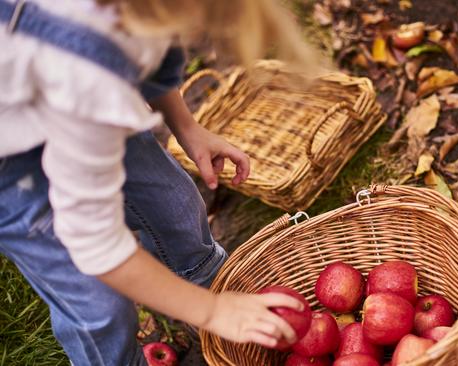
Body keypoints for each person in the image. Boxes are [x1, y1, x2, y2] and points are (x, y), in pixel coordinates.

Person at [0, 0, 320, 364]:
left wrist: (186, 126)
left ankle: (212, 297)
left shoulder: (136, 25)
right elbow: (95, 243)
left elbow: (149, 43)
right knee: (98, 304)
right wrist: (213, 311)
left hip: (79, 95)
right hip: (11, 169)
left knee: (174, 206)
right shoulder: (92, 72)